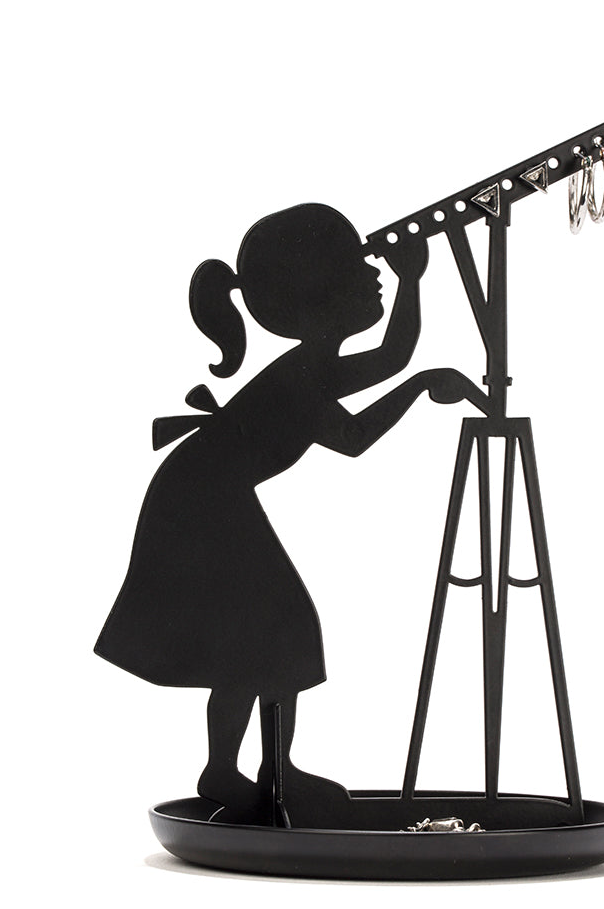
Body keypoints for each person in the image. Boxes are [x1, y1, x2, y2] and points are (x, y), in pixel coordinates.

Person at [95, 203, 487, 823]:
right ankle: (231, 769)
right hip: (201, 502)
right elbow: (355, 437)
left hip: (209, 495)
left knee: (269, 633)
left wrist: (413, 288)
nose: (375, 276)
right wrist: (419, 375)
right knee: (273, 629)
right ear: (321, 297)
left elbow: (392, 357)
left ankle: (267, 768)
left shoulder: (314, 364)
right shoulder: (303, 377)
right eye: (360, 270)